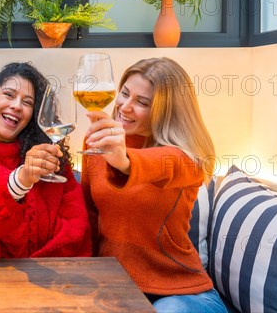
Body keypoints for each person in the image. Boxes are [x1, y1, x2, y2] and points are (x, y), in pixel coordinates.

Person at [80, 57, 227, 313]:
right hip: (115, 287)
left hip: (183, 292)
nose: (125, 106)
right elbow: (89, 217)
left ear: (166, 111)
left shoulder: (186, 159)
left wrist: (123, 160)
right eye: (124, 94)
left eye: (142, 102)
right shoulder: (97, 143)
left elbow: (160, 164)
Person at [0, 62, 91, 258]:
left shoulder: (50, 159)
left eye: (27, 102)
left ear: (34, 115)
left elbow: (76, 229)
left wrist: (34, 277)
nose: (16, 106)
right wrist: (20, 179)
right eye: (9, 94)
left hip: (44, 278)